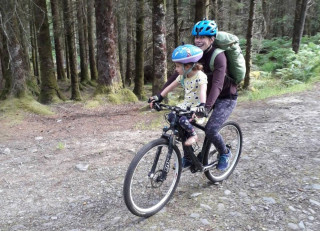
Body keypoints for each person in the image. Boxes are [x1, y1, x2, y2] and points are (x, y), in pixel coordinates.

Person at [151, 19, 237, 171]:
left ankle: (224, 153)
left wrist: (205, 107)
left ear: (212, 39)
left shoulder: (219, 56)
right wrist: (159, 96)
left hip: (225, 97)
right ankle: (189, 157)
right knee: (181, 121)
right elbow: (175, 76)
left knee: (211, 129)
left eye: (203, 37)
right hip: (202, 98)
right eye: (196, 37)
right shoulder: (193, 55)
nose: (198, 40)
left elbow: (217, 84)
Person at [149, 44, 207, 147]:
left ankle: (194, 135)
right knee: (171, 115)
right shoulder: (183, 76)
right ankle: (181, 134)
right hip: (186, 104)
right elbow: (170, 86)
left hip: (195, 107)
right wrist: (159, 97)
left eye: (178, 66)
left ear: (188, 66)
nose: (176, 69)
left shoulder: (200, 76)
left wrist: (202, 105)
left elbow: (203, 90)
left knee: (182, 120)